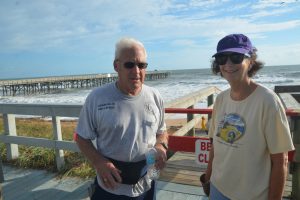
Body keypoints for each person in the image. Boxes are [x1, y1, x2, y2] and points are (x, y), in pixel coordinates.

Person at [201, 34, 295, 200]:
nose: (228, 64)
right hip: (217, 188)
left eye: (236, 57)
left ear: (250, 61)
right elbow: (215, 145)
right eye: (222, 58)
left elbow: (281, 161)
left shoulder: (267, 101)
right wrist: (208, 179)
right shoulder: (221, 99)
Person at [74, 37, 169, 200]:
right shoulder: (97, 98)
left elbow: (162, 131)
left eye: (142, 65)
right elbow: (81, 137)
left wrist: (161, 146)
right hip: (110, 187)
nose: (137, 71)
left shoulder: (155, 96)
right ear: (116, 66)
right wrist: (99, 162)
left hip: (147, 182)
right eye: (129, 64)